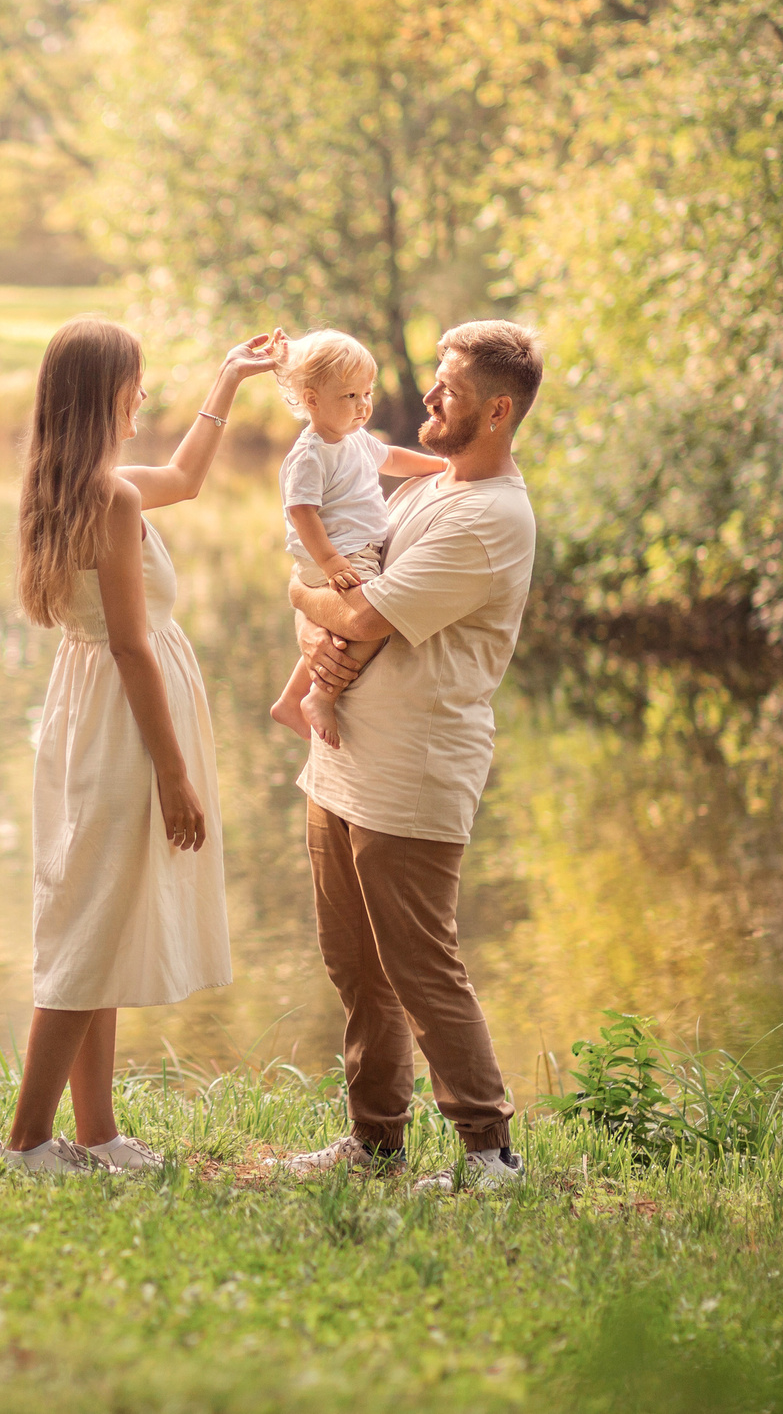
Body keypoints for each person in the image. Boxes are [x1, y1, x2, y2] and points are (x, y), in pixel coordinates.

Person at [1, 317, 279, 1175]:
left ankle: (97, 1133)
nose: (145, 392)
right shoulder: (112, 498)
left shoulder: (74, 486)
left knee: (102, 916)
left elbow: (187, 480)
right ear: (104, 394)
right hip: (124, 727)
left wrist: (228, 379)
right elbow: (130, 644)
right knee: (87, 928)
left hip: (87, 716)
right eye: (136, 379)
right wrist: (173, 774)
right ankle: (26, 1142)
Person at [273, 320, 545, 1193]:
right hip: (343, 756)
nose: (428, 394)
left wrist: (297, 590)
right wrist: (320, 628)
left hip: (413, 770)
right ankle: (376, 1140)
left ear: (497, 411)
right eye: (435, 376)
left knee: (422, 967)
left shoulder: (490, 518)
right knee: (357, 965)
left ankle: (489, 1153)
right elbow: (352, 575)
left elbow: (360, 613)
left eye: (450, 387)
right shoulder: (428, 489)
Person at [262, 330, 450, 747]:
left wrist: (439, 466)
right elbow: (301, 511)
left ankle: (290, 700)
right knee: (372, 623)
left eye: (367, 393)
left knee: (335, 633)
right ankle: (321, 695)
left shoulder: (356, 438)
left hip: (352, 550)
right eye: (350, 396)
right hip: (338, 552)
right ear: (312, 400)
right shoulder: (311, 454)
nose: (363, 405)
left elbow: (393, 458)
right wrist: (330, 562)